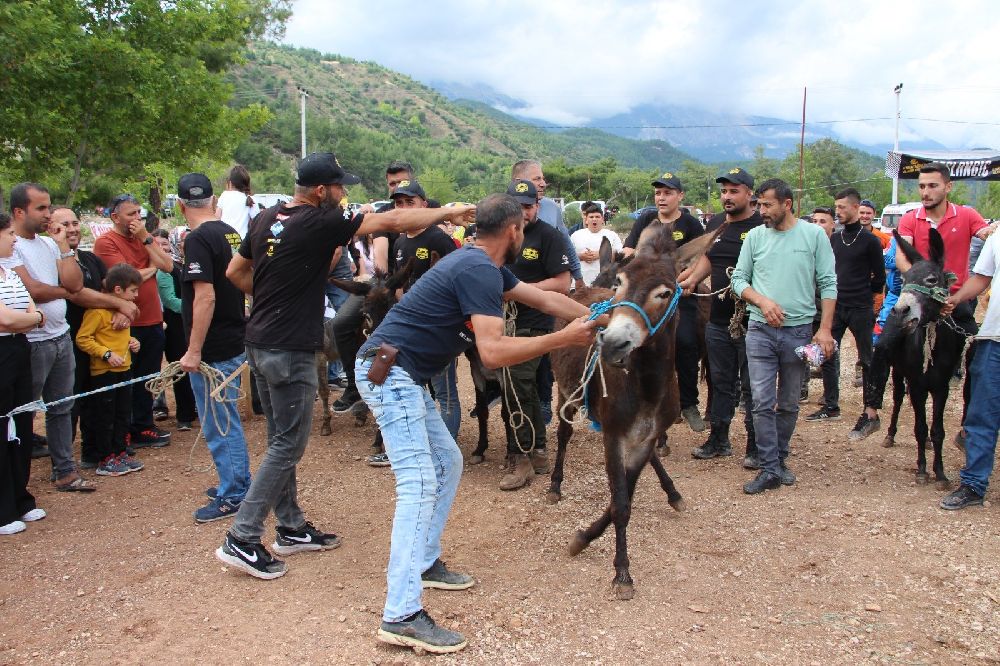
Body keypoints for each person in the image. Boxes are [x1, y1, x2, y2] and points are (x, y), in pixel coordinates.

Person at [216, 151, 477, 581]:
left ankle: (291, 527)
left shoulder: (266, 218)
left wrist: (272, 299)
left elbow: (235, 272)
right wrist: (449, 211)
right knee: (287, 445)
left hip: (259, 343)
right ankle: (242, 537)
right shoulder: (320, 221)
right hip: (290, 349)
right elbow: (391, 222)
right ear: (321, 191)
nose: (344, 193)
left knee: (279, 439)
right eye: (340, 187)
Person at [356, 193, 599, 653]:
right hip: (391, 376)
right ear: (514, 231)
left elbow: (544, 297)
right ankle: (401, 613)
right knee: (420, 484)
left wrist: (596, 316)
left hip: (399, 373)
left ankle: (425, 563)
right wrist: (563, 339)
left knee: (447, 461)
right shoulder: (477, 269)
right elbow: (491, 352)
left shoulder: (482, 264)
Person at [856, 163, 990, 441]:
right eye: (921, 186)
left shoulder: (967, 215)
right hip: (917, 297)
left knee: (980, 355)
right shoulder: (910, 218)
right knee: (882, 345)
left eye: (932, 186)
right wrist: (922, 285)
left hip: (956, 298)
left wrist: (993, 230)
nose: (926, 192)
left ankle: (967, 426)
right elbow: (903, 257)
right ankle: (871, 413)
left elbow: (985, 234)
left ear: (947, 187)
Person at [730, 178, 836, 495]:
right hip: (760, 330)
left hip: (800, 332)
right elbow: (738, 280)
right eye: (759, 204)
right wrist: (761, 301)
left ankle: (779, 458)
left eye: (767, 205)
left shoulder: (814, 236)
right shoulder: (755, 238)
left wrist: (825, 329)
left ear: (786, 204)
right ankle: (770, 468)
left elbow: (828, 283)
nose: (760, 210)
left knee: (789, 402)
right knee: (761, 401)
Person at [173, 173, 253, 523]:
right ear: (213, 201)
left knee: (220, 422)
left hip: (215, 345)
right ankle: (235, 481)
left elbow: (204, 296)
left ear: (179, 205)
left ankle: (236, 491)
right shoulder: (228, 232)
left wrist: (193, 350)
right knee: (224, 419)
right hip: (233, 333)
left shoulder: (198, 239)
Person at [6, 183, 93, 492]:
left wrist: (64, 249)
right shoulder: (11, 246)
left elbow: (75, 281)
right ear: (20, 212)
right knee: (24, 411)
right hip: (32, 341)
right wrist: (67, 292)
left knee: (62, 407)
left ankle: (65, 469)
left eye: (49, 206)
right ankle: (18, 480)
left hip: (60, 335)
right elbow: (34, 290)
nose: (49, 214)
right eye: (41, 208)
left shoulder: (48, 244)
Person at [679, 167, 762, 465]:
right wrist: (689, 280)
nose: (727, 196)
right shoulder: (716, 223)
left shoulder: (761, 226)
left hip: (752, 321)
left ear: (749, 194)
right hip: (718, 319)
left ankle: (755, 445)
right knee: (720, 381)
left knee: (753, 386)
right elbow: (708, 258)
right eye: (724, 191)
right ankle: (719, 439)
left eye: (734, 191)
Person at [498, 180, 571, 491]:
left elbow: (563, 283)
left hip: (535, 323)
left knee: (515, 387)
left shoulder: (549, 237)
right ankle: (538, 449)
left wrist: (519, 293)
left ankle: (521, 456)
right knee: (522, 389)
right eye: (517, 206)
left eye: (527, 206)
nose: (523, 212)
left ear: (537, 207)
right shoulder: (504, 235)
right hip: (502, 324)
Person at [623, 172, 706, 432]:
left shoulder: (691, 224)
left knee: (685, 342)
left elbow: (699, 259)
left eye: (668, 192)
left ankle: (689, 403)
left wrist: (679, 281)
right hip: (647, 298)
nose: (662, 197)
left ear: (680, 196)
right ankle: (641, 404)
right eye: (658, 193)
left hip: (680, 294)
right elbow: (630, 249)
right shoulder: (647, 220)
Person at [58, 207, 139, 468]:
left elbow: (119, 294)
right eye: (63, 225)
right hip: (74, 342)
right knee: (72, 405)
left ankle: (107, 452)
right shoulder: (56, 259)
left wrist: (126, 311)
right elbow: (75, 292)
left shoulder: (90, 259)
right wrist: (121, 307)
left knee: (105, 407)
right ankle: (71, 461)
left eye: (74, 223)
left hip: (106, 354)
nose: (71, 229)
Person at [94, 194, 175, 448]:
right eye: (130, 214)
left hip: (153, 318)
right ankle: (125, 430)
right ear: (115, 217)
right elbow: (122, 279)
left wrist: (146, 239)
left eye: (139, 213)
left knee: (148, 377)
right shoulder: (105, 242)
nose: (136, 219)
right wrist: (151, 268)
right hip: (126, 323)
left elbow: (168, 265)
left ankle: (144, 425)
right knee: (126, 379)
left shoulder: (144, 239)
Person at [389, 180, 462, 439]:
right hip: (409, 328)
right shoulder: (398, 244)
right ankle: (423, 443)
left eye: (411, 202)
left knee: (445, 392)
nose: (405, 208)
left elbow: (458, 282)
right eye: (399, 203)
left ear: (424, 204)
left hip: (438, 328)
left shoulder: (439, 240)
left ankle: (446, 449)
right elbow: (396, 284)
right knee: (415, 388)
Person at [511, 159, 582, 424]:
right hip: (507, 312)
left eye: (542, 178)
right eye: (536, 178)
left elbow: (564, 243)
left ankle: (541, 415)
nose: (543, 183)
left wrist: (578, 278)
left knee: (543, 363)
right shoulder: (502, 216)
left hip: (542, 307)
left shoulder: (551, 210)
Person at [806, 188, 884, 424]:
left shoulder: (870, 240)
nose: (838, 211)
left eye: (841, 207)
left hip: (860, 307)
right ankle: (831, 406)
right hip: (837, 307)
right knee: (828, 354)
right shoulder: (834, 238)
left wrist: (866, 297)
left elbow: (879, 278)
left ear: (854, 208)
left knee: (867, 357)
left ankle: (870, 408)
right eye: (836, 207)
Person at [939, 227, 1000, 509]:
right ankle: (974, 484)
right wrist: (956, 298)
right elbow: (982, 277)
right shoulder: (998, 234)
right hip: (994, 338)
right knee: (980, 414)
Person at [0, 212, 47, 534]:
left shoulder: (8, 272)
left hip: (19, 349)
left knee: (23, 422)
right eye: (7, 234)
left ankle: (21, 498)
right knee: (3, 427)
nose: (13, 238)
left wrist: (28, 319)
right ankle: (3, 508)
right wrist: (29, 318)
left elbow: (32, 311)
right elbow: (6, 320)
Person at [75, 263, 145, 476]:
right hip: (104, 373)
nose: (136, 295)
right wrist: (105, 354)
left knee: (122, 414)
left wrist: (132, 342)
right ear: (118, 290)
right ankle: (105, 458)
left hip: (124, 369)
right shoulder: (96, 312)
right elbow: (83, 339)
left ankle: (120, 452)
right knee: (105, 417)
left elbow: (121, 336)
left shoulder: (122, 312)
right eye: (133, 291)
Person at [151, 229, 196, 430]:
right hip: (176, 326)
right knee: (180, 369)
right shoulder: (167, 270)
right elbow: (169, 300)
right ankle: (184, 415)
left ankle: (195, 409)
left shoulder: (194, 265)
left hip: (192, 324)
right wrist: (196, 308)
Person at [570, 201, 623, 285]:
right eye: (591, 217)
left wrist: (601, 254)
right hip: (580, 283)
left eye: (597, 217)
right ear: (586, 220)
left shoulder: (612, 235)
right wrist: (581, 256)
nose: (594, 219)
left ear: (602, 219)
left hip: (605, 283)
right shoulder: (575, 235)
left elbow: (620, 255)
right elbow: (567, 256)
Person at [216, 164, 255, 240]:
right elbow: (256, 220)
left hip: (225, 239)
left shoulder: (225, 195)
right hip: (242, 241)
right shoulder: (250, 199)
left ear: (230, 183)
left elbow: (217, 217)